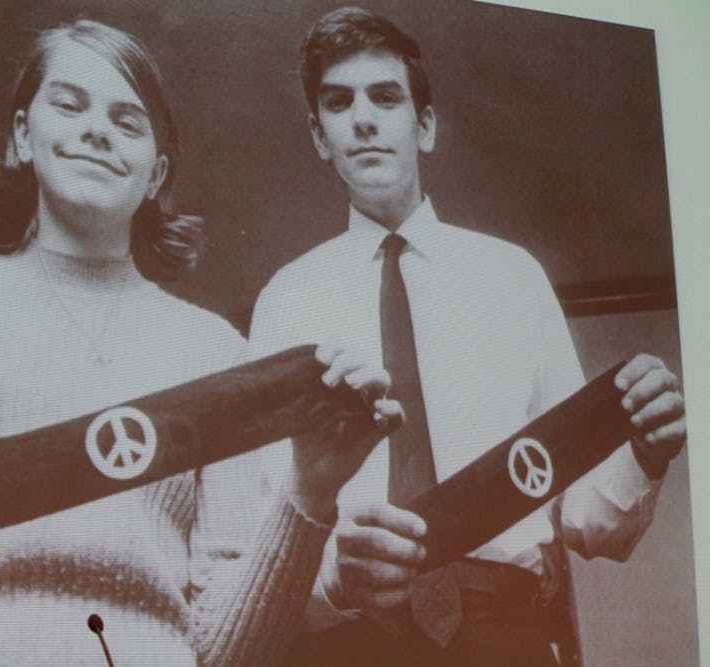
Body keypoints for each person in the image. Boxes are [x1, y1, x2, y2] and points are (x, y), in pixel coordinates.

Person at [0, 19, 396, 666]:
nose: (98, 130)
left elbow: (222, 650)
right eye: (70, 105)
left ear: (155, 175)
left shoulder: (216, 352)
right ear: (22, 136)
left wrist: (310, 494)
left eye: (128, 122)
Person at [246, 7, 688, 666]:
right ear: (319, 136)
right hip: (346, 640)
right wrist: (334, 585)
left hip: (502, 632)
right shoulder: (286, 299)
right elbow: (268, 524)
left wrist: (646, 454)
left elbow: (586, 521)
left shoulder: (513, 276)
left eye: (385, 97)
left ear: (424, 126)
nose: (362, 119)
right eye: (338, 103)